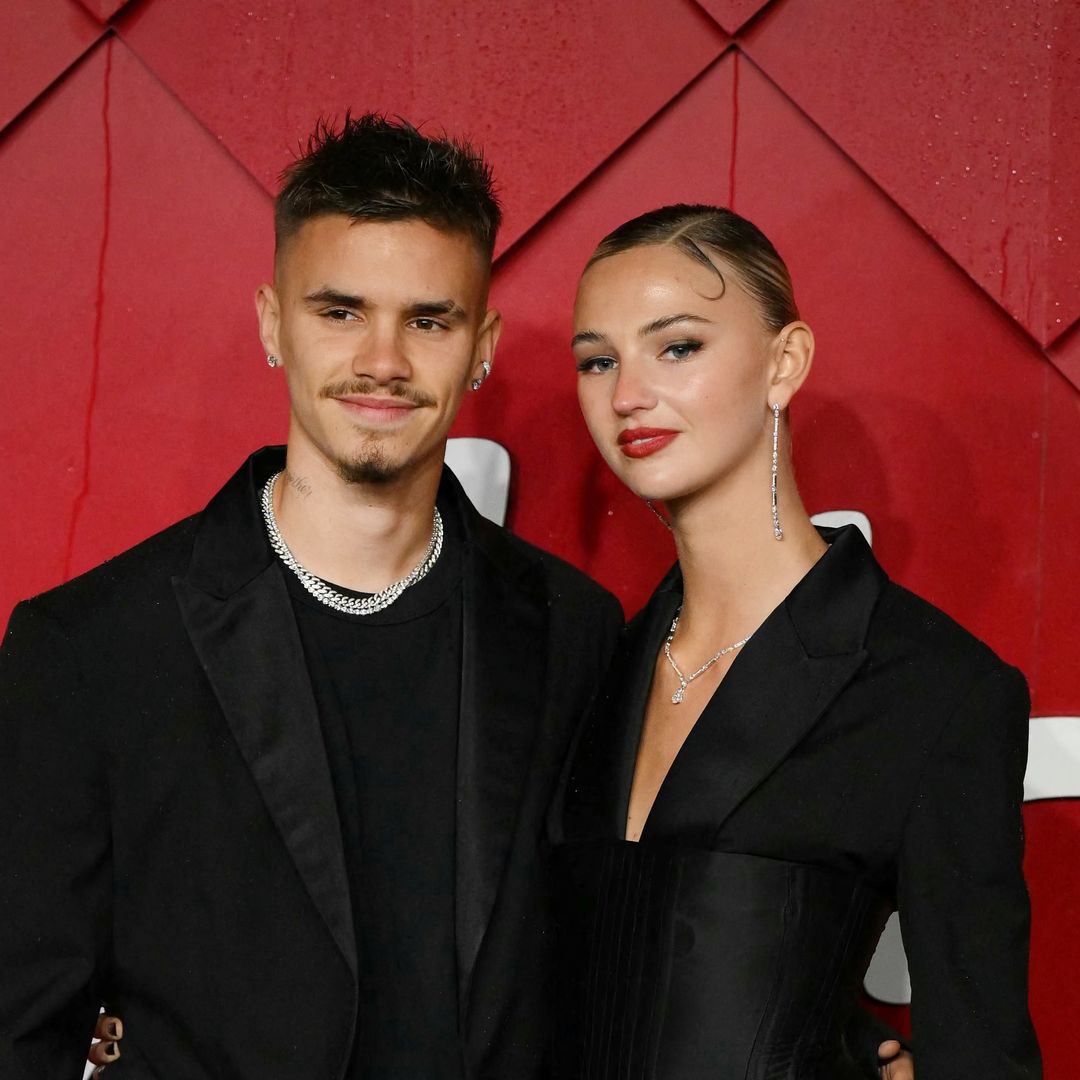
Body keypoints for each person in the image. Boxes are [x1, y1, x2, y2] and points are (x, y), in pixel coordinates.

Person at [0, 113, 623, 1079]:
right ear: (272, 323)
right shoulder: (90, 648)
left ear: (483, 345)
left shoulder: (572, 631)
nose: (383, 360)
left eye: (429, 320)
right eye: (340, 312)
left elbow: (602, 979)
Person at [550, 204, 1042, 1077]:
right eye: (598, 360)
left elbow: (982, 1050)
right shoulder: (588, 661)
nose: (626, 395)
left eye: (677, 347)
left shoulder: (932, 689)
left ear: (785, 363)